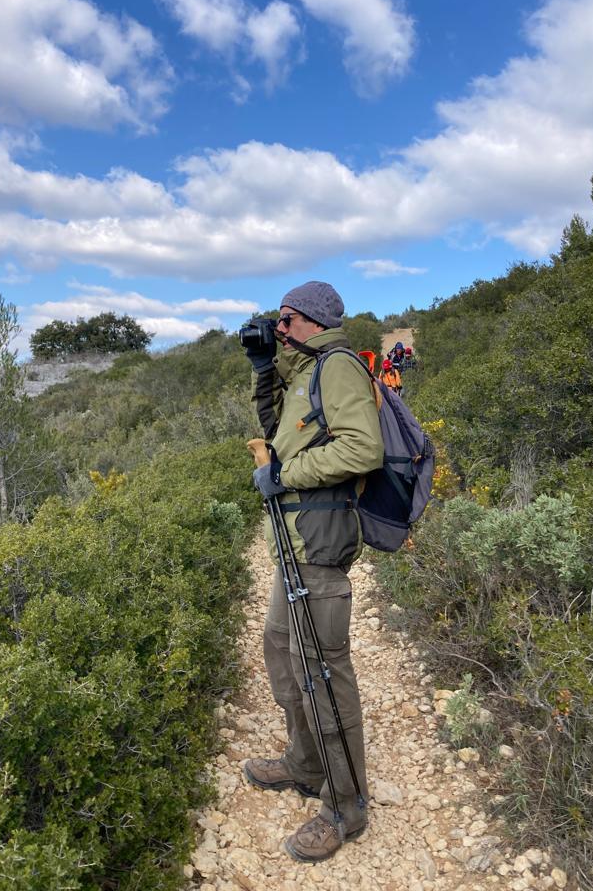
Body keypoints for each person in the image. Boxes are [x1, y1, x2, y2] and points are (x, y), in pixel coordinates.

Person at [243, 281, 384, 864]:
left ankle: (345, 805)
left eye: (284, 319)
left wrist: (288, 477)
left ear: (308, 320)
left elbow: (363, 448)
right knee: (280, 645)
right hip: (293, 543)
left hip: (320, 545)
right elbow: (280, 429)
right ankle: (304, 762)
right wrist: (262, 367)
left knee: (323, 669)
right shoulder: (306, 370)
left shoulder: (340, 366)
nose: (277, 327)